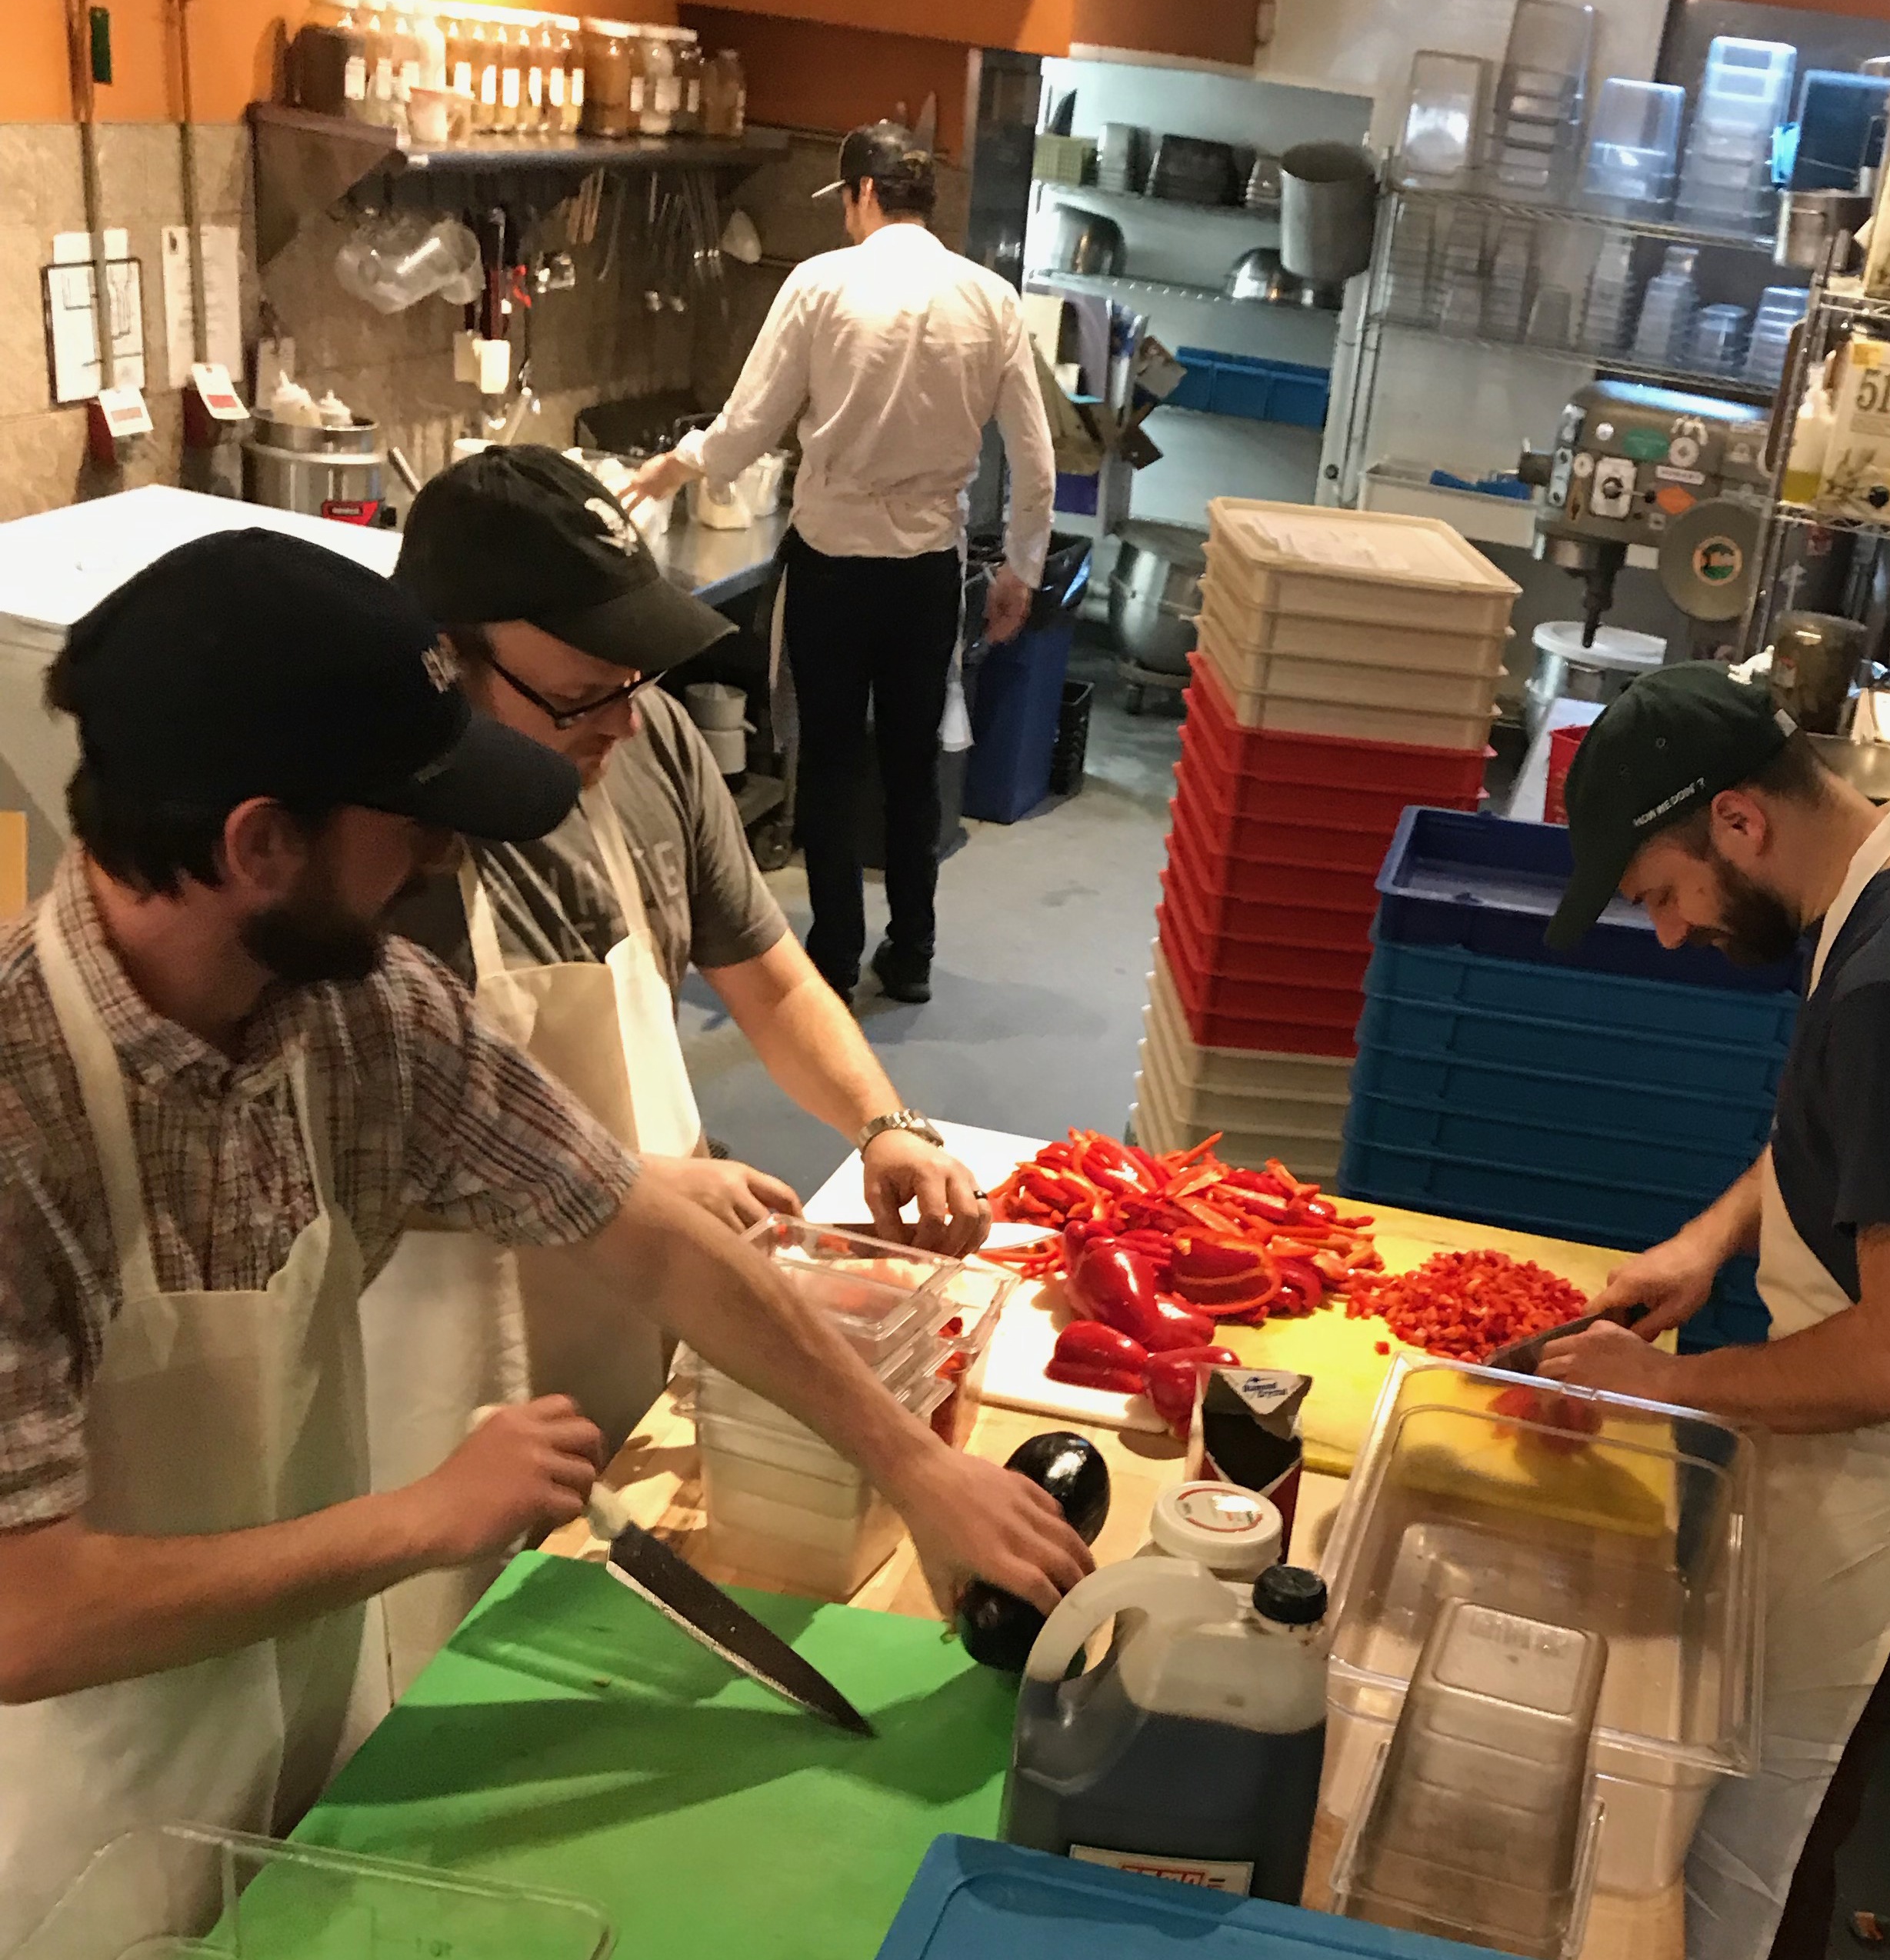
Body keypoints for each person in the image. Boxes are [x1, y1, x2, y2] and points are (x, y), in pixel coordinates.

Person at [0, 532, 1089, 1950]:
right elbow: (25, 1611)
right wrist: (419, 1516)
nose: (443, 852)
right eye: (410, 815)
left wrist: (915, 1461)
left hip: (316, 1761)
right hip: (79, 1834)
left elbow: (646, 1233)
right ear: (258, 843)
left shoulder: (362, 1012)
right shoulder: (23, 1122)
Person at [370, 447, 995, 1683]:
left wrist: (884, 1121)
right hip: (456, 1350)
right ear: (448, 650)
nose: (618, 713)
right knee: (470, 1656)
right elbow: (359, 1167)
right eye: (578, 692)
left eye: (633, 676)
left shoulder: (645, 741)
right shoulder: (387, 839)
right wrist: (637, 1183)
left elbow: (765, 972)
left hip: (655, 1291)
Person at [1528, 663, 1890, 1960]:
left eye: (1660, 892)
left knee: (1768, 1860)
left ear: (1737, 822)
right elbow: (1833, 1141)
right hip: (1877, 1468)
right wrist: (1704, 1242)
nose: (1663, 932)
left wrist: (1653, 1387)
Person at [623, 119, 1057, 1005]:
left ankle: (831, 955)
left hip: (830, 566)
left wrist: (677, 466)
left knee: (826, 760)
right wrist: (1022, 569)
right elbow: (1035, 454)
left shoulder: (822, 285)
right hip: (927, 572)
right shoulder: (991, 299)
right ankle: (914, 955)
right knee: (911, 762)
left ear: (861, 194)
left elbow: (750, 422)